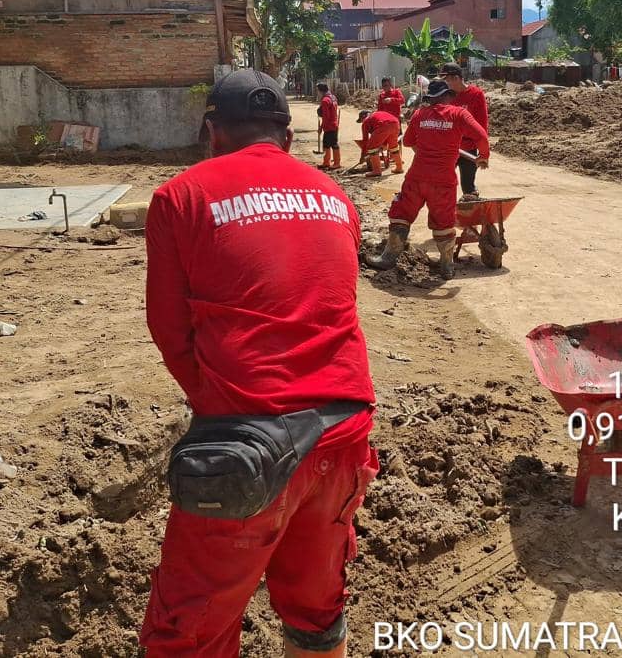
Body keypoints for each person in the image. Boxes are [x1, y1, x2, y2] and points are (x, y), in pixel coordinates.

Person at [143, 69, 377, 658]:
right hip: (344, 430)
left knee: (188, 630)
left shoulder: (181, 196)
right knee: (316, 608)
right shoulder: (335, 197)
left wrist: (222, 406)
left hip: (249, 448)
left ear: (211, 132)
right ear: (288, 136)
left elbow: (170, 331)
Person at [368, 79, 489, 280]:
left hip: (417, 177)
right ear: (448, 96)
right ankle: (446, 266)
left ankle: (388, 257)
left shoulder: (420, 114)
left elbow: (407, 142)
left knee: (402, 214)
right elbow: (482, 137)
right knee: (443, 223)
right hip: (443, 181)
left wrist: (423, 142)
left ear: (431, 98)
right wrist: (483, 157)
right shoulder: (459, 114)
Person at [439, 63, 489, 200]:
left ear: (456, 78)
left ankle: (470, 214)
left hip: (469, 149)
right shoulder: (446, 96)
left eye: (446, 79)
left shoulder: (476, 95)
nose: (445, 83)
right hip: (449, 148)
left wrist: (483, 152)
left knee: (468, 185)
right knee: (441, 181)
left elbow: (481, 124)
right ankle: (444, 213)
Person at [356, 108, 403, 177]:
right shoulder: (378, 114)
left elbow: (365, 141)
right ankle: (399, 167)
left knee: (372, 148)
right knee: (393, 147)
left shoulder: (366, 121)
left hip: (383, 125)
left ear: (363, 117)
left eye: (361, 120)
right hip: (395, 123)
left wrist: (362, 156)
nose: (362, 122)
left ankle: (376, 170)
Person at [316, 82, 340, 171]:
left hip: (329, 125)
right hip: (334, 123)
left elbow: (326, 116)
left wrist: (321, 128)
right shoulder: (333, 97)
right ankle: (326, 162)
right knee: (327, 144)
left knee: (333, 144)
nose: (317, 93)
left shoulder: (325, 100)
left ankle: (336, 163)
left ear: (321, 91)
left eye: (318, 91)